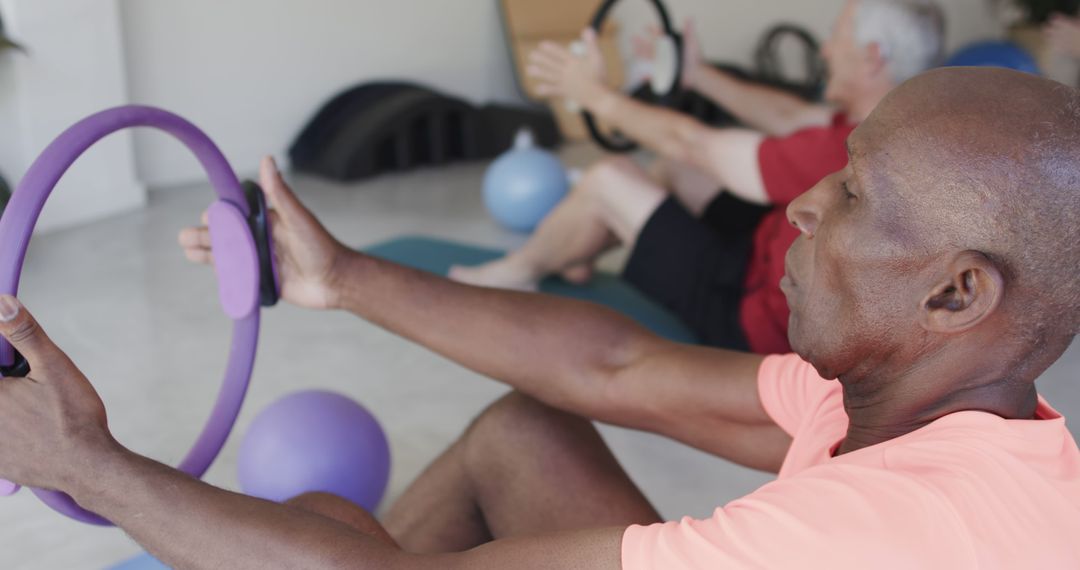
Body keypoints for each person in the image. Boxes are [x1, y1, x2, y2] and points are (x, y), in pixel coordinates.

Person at [0, 66, 1076, 568]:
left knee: (333, 537)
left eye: (849, 195)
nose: (798, 203)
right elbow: (613, 366)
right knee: (526, 434)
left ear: (955, 292)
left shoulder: (873, 537)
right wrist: (344, 278)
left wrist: (87, 465)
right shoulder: (925, 402)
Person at [452, 0, 945, 354]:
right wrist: (697, 73)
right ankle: (577, 247)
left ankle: (517, 272)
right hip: (768, 256)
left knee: (611, 178)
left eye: (837, 36)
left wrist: (594, 95)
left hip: (748, 320)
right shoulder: (889, 124)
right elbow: (788, 114)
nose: (826, 48)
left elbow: (694, 142)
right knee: (678, 172)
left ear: (872, 56)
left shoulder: (844, 151)